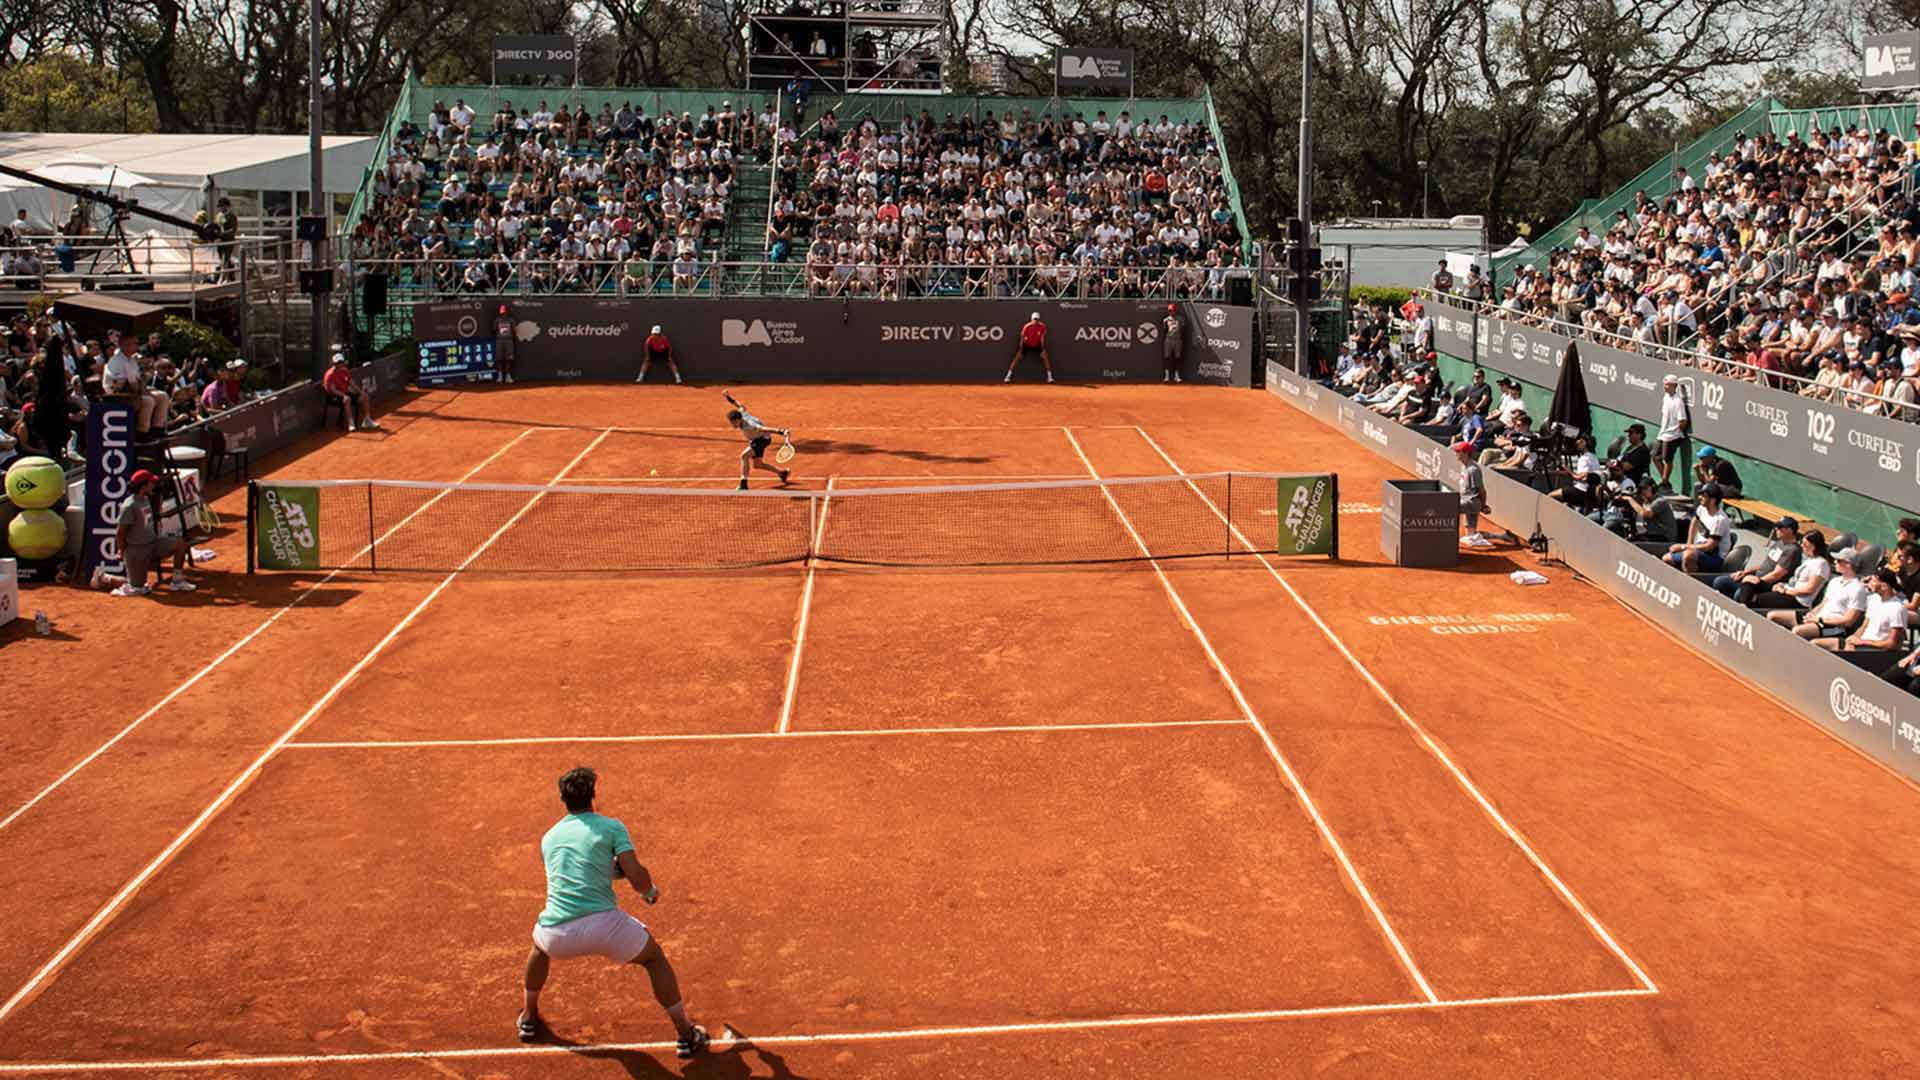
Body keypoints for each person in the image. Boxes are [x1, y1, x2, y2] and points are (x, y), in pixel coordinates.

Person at [519, 767, 709, 1058]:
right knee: (654, 959)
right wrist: (648, 892)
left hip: (558, 933)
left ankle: (529, 1019)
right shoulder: (611, 827)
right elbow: (634, 873)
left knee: (539, 948)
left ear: (563, 800)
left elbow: (577, 872)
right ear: (593, 796)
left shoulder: (549, 838)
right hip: (606, 928)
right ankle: (686, 1034)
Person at [88, 469, 194, 596]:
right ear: (143, 486)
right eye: (151, 483)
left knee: (180, 544)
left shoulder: (145, 498)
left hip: (153, 543)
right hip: (137, 550)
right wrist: (122, 551)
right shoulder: (129, 506)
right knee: (137, 588)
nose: (153, 485)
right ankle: (103, 577)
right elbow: (121, 533)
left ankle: (177, 580)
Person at [1771, 548, 1866, 641]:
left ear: (1848, 564)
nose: (1835, 562)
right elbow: (1823, 603)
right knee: (1773, 616)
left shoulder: (1858, 588)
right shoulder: (1835, 581)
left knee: (1798, 630)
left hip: (1834, 627)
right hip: (1818, 618)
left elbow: (1848, 621)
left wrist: (1819, 620)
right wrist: (1811, 614)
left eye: (1838, 560)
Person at [1714, 517, 1800, 605]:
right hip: (1755, 578)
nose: (1776, 529)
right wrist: (1745, 572)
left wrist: (1756, 582)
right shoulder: (1778, 543)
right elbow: (1764, 564)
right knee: (1720, 581)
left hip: (1766, 584)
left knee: (1739, 594)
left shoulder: (1792, 550)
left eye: (1780, 527)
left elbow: (1776, 574)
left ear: (1789, 530)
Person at [1823, 569, 1908, 654]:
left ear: (1884, 586)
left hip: (1876, 651)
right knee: (1817, 644)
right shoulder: (1874, 599)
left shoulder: (1897, 608)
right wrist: (1853, 639)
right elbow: (1864, 626)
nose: (1869, 584)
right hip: (1860, 645)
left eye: (1873, 581)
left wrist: (1861, 642)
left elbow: (1892, 644)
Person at [1747, 530, 1831, 613]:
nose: (1802, 546)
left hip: (1797, 600)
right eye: (1802, 543)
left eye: (1805, 544)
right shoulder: (1809, 560)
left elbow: (1809, 590)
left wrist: (1786, 591)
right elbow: (1796, 581)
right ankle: (1741, 605)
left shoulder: (1821, 564)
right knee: (1752, 583)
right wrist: (1783, 585)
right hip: (1789, 591)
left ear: (1813, 546)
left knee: (1757, 598)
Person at [1664, 482, 1731, 572]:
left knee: (1688, 555)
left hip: (1716, 558)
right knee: (1667, 558)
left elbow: (1709, 547)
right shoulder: (1701, 508)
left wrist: (1683, 547)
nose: (1700, 497)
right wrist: (1689, 543)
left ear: (1712, 500)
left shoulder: (1719, 520)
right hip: (1699, 548)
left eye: (1704, 496)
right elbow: (1694, 522)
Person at [727, 400, 791, 490]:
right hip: (757, 439)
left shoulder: (750, 425)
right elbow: (740, 406)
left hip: (762, 440)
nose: (732, 424)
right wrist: (729, 398)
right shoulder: (742, 414)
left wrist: (781, 431)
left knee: (744, 456)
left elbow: (764, 429)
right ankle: (782, 473)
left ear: (738, 420)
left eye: (733, 422)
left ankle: (743, 484)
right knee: (758, 464)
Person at [322, 351, 380, 432]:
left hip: (344, 392)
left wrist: (360, 392)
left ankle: (367, 420)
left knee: (364, 396)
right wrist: (344, 395)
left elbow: (352, 383)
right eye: (338, 362)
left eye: (341, 362)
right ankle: (351, 423)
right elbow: (333, 390)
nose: (340, 364)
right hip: (333, 396)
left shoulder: (344, 371)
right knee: (347, 399)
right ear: (334, 363)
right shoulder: (330, 374)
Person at [1654, 373, 1692, 493]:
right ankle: (1665, 482)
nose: (1664, 386)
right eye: (1664, 384)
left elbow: (1683, 421)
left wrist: (1676, 433)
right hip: (1663, 433)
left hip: (1672, 436)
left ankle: (1664, 482)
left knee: (1667, 460)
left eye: (1667, 384)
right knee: (1655, 456)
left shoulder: (1678, 401)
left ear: (1673, 385)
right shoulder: (1665, 397)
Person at [1454, 440, 1491, 548]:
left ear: (1465, 453)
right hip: (1466, 500)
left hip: (1472, 502)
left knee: (1450, 509)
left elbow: (1482, 490)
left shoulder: (1473, 470)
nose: (1455, 453)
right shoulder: (1464, 466)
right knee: (1470, 536)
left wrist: (1483, 506)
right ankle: (1503, 537)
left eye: (1458, 451)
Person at [1005, 311, 1054, 384]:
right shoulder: (1027, 326)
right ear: (1031, 319)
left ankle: (1050, 377)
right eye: (1034, 319)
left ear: (1039, 319)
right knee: (1017, 358)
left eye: (1037, 319)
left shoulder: (1042, 326)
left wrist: (1042, 348)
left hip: (1037, 345)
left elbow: (1042, 338)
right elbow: (1022, 337)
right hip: (1026, 344)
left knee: (1045, 357)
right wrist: (1021, 347)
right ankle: (1008, 376)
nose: (1036, 321)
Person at [1161, 304, 1185, 383]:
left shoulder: (1180, 319)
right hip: (1168, 340)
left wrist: (1180, 337)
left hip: (1177, 340)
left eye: (1172, 310)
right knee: (1167, 358)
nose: (1171, 312)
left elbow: (1183, 329)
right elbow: (1164, 331)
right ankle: (1167, 377)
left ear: (1175, 310)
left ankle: (1176, 376)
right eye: (1169, 310)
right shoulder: (1165, 320)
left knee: (1177, 358)